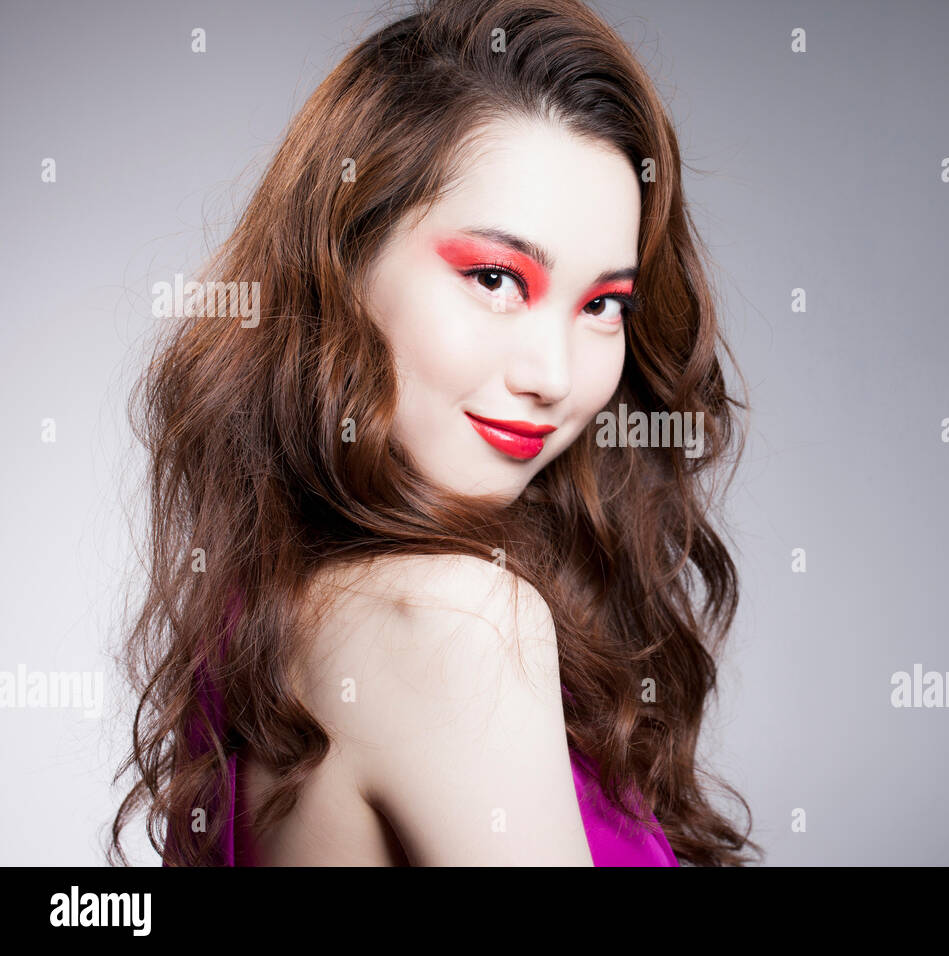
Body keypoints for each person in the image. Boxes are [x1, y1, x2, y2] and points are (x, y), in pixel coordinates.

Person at [110, 0, 759, 867]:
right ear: (344, 260)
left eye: (603, 305)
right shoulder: (452, 621)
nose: (556, 377)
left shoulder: (267, 621)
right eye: (496, 277)